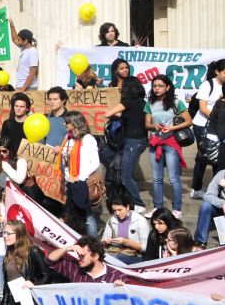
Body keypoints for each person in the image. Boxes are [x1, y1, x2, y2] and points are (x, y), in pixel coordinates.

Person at [145, 74, 192, 218]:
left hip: (171, 142)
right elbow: (147, 124)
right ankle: (157, 207)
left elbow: (189, 121)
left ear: (168, 87)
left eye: (160, 86)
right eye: (154, 86)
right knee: (157, 178)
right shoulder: (149, 104)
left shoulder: (176, 103)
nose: (157, 89)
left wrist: (171, 128)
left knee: (173, 178)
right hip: (155, 142)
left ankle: (177, 209)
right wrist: (155, 126)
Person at [105, 77, 149, 212]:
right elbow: (132, 115)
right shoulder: (142, 102)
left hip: (132, 141)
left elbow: (108, 113)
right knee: (127, 174)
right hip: (140, 140)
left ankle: (139, 203)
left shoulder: (127, 101)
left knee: (125, 176)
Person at [190, 59, 225, 197]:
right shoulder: (207, 85)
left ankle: (217, 189)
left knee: (217, 157)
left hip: (218, 127)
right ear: (217, 72)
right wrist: (217, 120)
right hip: (203, 125)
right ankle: (196, 188)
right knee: (204, 156)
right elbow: (203, 108)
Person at [59, 111, 101, 235]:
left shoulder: (87, 139)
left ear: (76, 123)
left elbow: (95, 162)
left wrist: (79, 177)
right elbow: (66, 158)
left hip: (81, 182)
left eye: (67, 122)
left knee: (87, 215)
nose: (64, 124)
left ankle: (93, 241)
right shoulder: (68, 137)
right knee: (72, 214)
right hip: (70, 182)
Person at [46, 236, 127, 284]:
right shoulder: (75, 269)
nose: (79, 258)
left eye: (82, 255)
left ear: (95, 256)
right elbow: (50, 260)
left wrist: (121, 288)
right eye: (78, 255)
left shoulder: (118, 276)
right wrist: (67, 248)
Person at [10, 24, 39, 90]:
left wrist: (23, 89)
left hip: (28, 88)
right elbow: (14, 39)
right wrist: (11, 25)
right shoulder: (24, 48)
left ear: (25, 41)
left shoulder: (33, 52)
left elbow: (32, 73)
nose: (18, 41)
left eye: (19, 40)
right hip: (21, 86)